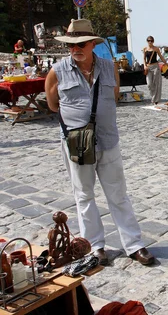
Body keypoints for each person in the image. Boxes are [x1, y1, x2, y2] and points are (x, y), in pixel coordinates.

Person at [44, 19, 154, 266]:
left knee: (118, 194)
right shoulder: (57, 71)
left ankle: (134, 244)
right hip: (78, 143)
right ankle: (95, 245)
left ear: (93, 43)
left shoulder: (108, 67)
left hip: (107, 139)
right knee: (84, 195)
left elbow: (113, 97)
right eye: (71, 45)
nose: (76, 49)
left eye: (81, 43)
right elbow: (52, 105)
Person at [142, 35, 168, 104]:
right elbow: (144, 58)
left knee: (156, 83)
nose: (150, 42)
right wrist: (145, 66)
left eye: (151, 41)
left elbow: (161, 57)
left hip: (155, 66)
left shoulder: (156, 49)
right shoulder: (145, 49)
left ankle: (155, 99)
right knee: (149, 84)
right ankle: (153, 96)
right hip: (148, 67)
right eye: (148, 41)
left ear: (153, 41)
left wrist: (167, 65)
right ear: (147, 41)